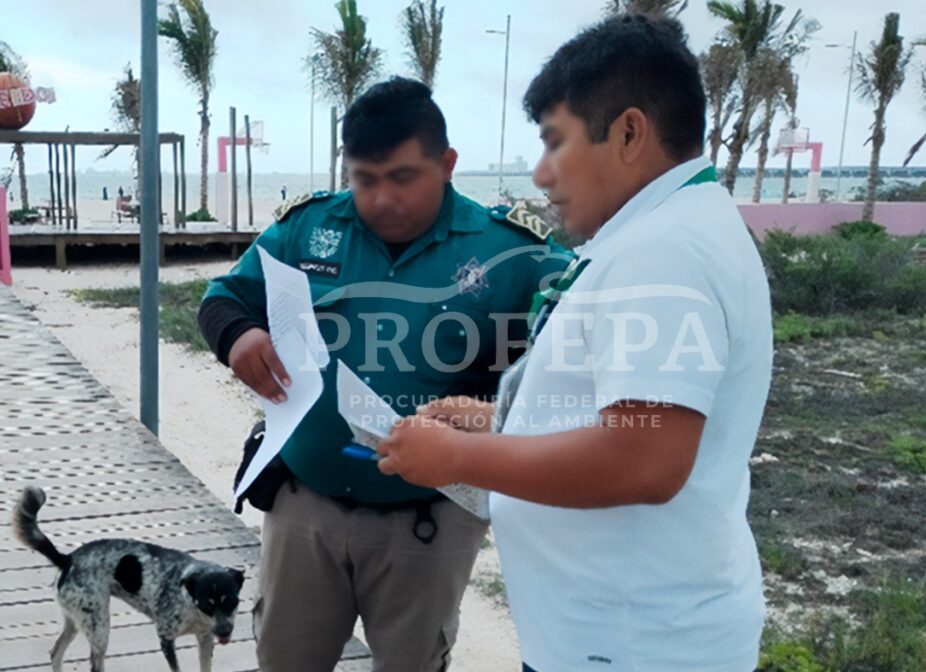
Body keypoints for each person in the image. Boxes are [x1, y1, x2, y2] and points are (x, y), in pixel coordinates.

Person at [377, 15, 773, 672]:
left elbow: (644, 459)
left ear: (628, 133)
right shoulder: (667, 231)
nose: (540, 175)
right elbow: (622, 411)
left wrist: (457, 458)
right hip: (621, 639)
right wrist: (498, 422)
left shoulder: (664, 251)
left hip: (633, 648)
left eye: (555, 143)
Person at [197, 77, 568, 671]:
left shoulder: (513, 252)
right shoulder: (309, 227)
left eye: (403, 177)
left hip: (429, 521)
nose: (381, 199)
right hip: (304, 508)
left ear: (447, 164)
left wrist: (493, 412)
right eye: (364, 179)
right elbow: (224, 297)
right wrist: (239, 336)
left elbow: (578, 340)